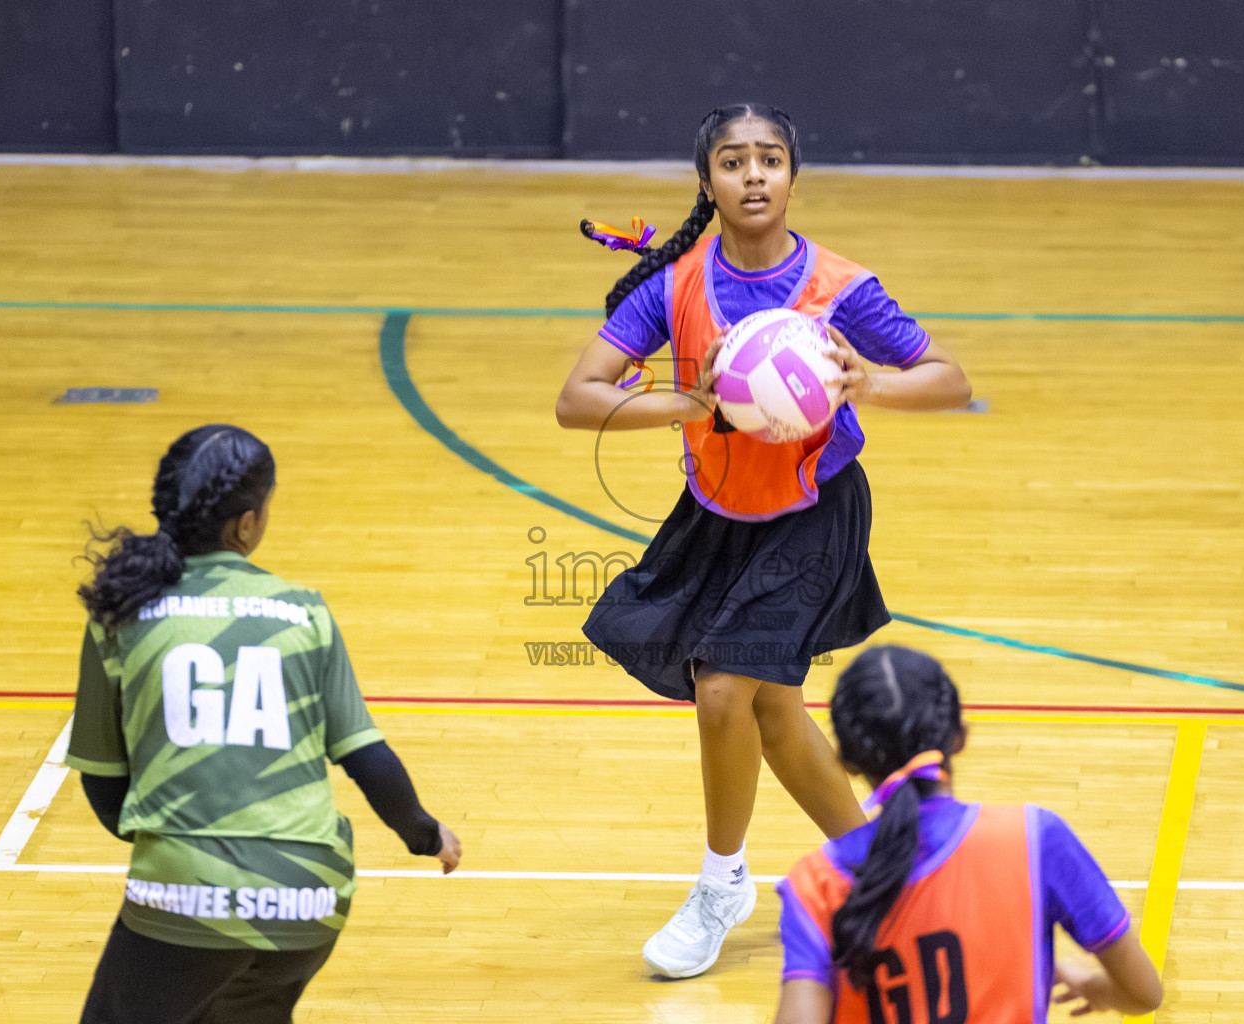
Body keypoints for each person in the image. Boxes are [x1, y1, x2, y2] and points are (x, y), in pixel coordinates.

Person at [555, 102, 972, 978]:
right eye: (734, 161)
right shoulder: (674, 286)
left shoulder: (841, 287)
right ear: (706, 182)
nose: (753, 176)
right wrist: (688, 403)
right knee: (775, 713)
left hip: (817, 511)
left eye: (770, 159)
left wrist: (868, 385)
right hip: (718, 512)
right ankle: (882, 873)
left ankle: (722, 882)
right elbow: (578, 399)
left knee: (721, 691)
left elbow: (949, 379)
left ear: (792, 175)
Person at [66, 424, 462, 1024]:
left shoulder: (122, 611)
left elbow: (101, 780)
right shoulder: (302, 610)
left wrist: (173, 844)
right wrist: (425, 836)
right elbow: (368, 758)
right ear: (247, 524)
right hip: (310, 901)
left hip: (183, 896)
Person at [773, 645, 1163, 1023]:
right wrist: (1098, 989)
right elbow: (1143, 993)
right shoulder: (1035, 838)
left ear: (847, 762)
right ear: (959, 736)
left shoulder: (814, 883)